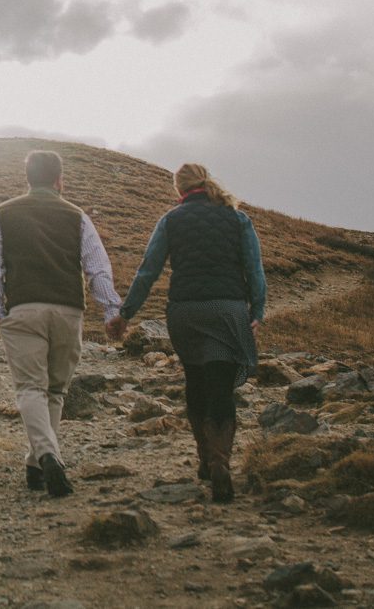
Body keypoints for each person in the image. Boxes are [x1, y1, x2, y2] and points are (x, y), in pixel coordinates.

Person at [107, 162, 267, 503]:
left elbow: (148, 271)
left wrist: (126, 314)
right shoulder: (237, 219)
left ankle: (205, 459)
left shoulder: (170, 220)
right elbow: (255, 269)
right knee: (221, 385)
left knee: (195, 380)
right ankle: (222, 459)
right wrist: (257, 311)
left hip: (185, 311)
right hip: (227, 309)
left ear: (179, 189)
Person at [0, 149, 122, 497]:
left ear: (27, 177)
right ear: (61, 180)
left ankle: (46, 456)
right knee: (56, 390)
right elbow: (97, 267)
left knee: (31, 388)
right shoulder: (77, 216)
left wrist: (0, 312)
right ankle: (37, 465)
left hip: (23, 308)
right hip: (68, 309)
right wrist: (111, 312)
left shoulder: (3, 213)